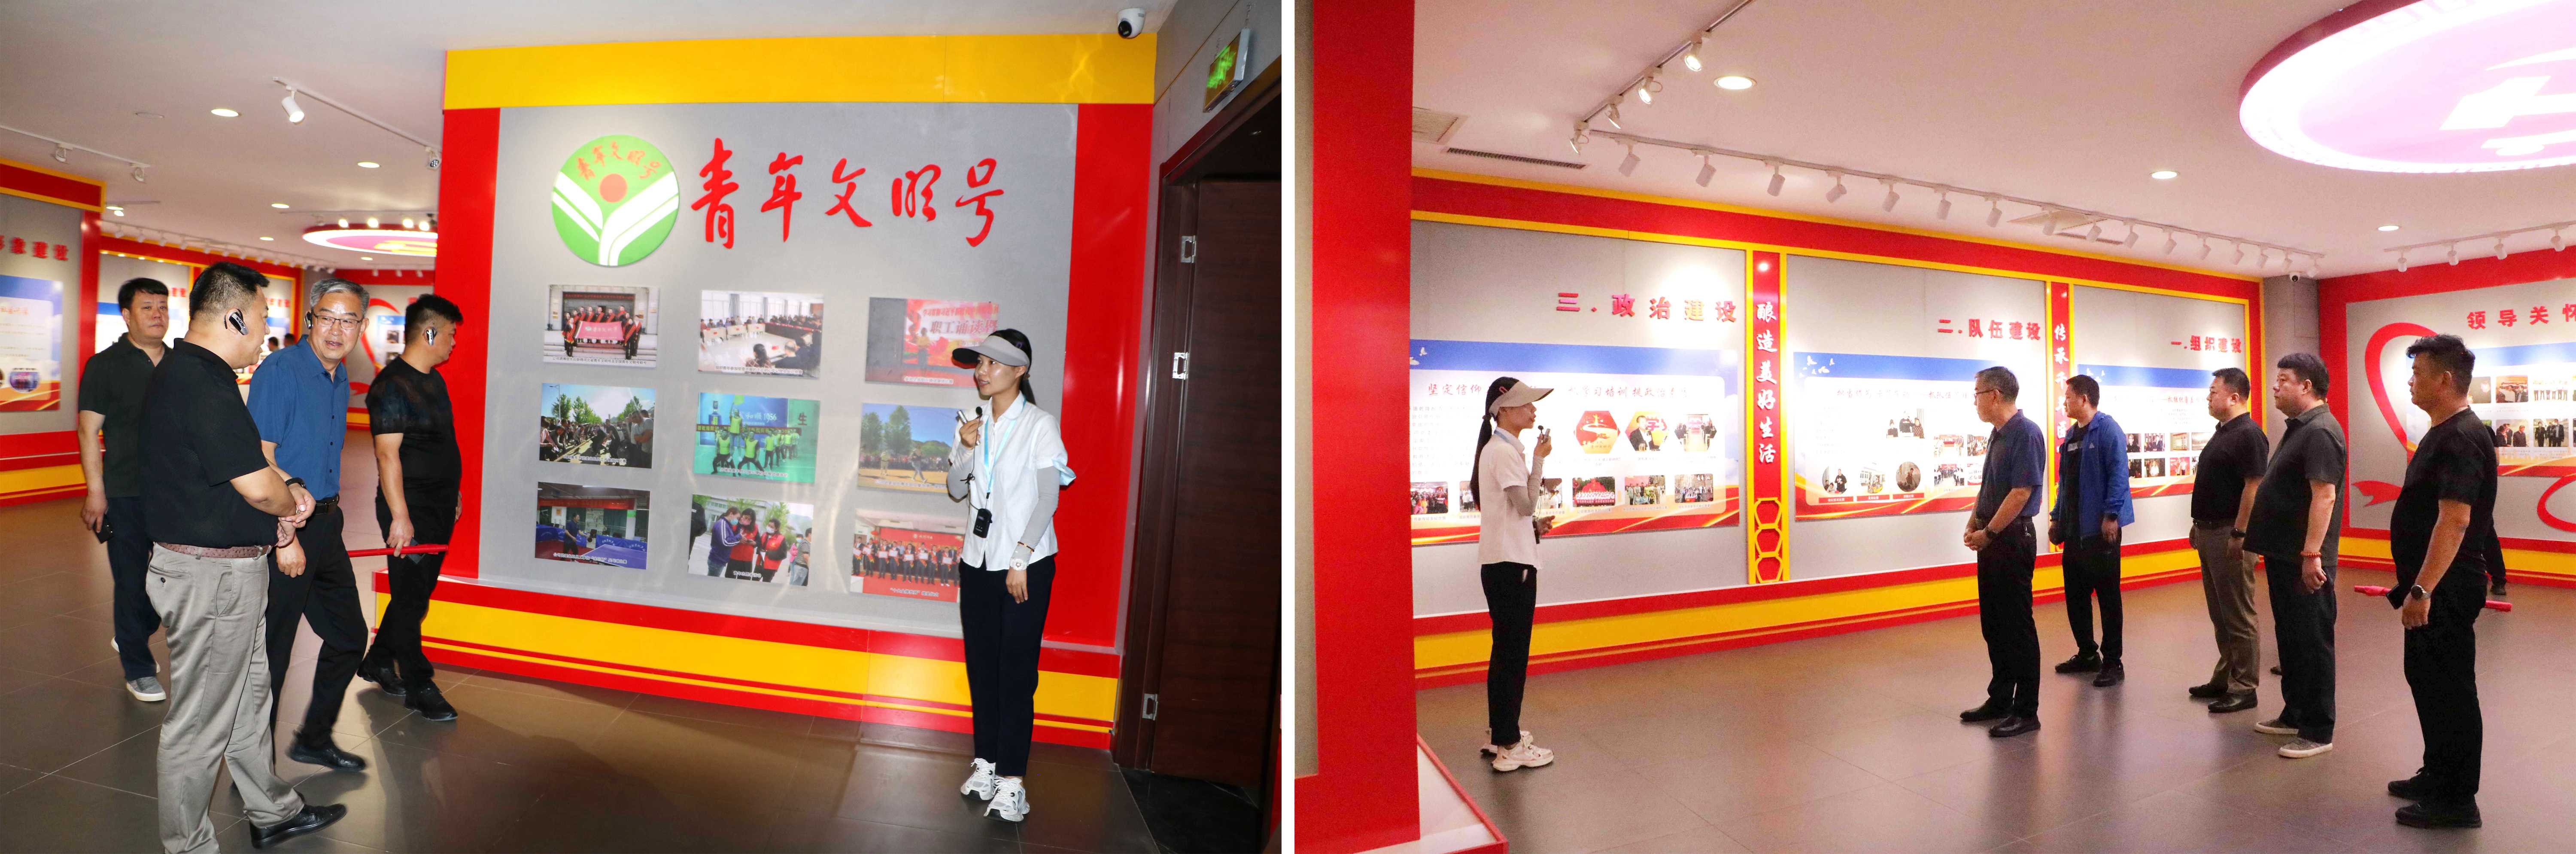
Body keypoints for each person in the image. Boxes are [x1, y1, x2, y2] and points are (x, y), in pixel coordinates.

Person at [141, 262, 347, 852]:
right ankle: (188, 844)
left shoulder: (196, 375)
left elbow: (242, 471)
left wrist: (285, 493)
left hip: (228, 571)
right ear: (234, 317)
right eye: (261, 316)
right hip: (210, 578)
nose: (264, 331)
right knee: (200, 724)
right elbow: (258, 487)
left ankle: (272, 810)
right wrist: (291, 504)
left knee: (249, 700)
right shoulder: (200, 381)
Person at [945, 329, 1075, 822]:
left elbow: (1048, 498)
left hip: (1025, 566)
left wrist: (1021, 558)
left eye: (993, 363)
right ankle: (986, 762)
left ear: (1020, 370)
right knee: (982, 667)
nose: (982, 371)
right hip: (978, 561)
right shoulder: (973, 421)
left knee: (1016, 672)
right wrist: (965, 448)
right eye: (979, 362)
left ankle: (1013, 781)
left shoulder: (1040, 425)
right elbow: (956, 488)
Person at [247, 277, 374, 772]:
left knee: (349, 635)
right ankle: (256, 776)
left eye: (348, 320)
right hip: (285, 525)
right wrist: (286, 535)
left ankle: (313, 739)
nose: (336, 330)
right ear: (310, 320)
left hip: (326, 523)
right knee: (274, 652)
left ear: (361, 327)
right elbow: (260, 458)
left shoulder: (339, 378)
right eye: (327, 317)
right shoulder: (282, 371)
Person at [2383, 334, 2493, 829]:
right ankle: (2438, 772)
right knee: (2427, 680)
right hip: (2433, 585)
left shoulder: (2462, 437)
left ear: (2445, 380)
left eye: (2418, 373)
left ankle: (2457, 798)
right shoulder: (2443, 431)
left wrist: (2422, 589)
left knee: (2450, 689)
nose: (2411, 381)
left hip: (2445, 587)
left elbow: (2456, 519)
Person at [360, 295, 467, 723]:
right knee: (411, 598)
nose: (454, 342)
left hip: (438, 506)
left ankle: (378, 661)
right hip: (409, 509)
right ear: (430, 332)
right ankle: (420, 684)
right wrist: (400, 517)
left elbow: (442, 443)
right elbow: (388, 456)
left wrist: (453, 492)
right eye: (451, 334)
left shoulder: (434, 381)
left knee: (415, 594)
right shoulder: (391, 387)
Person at [2246, 352, 2346, 759]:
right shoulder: (2300, 429)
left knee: (2312, 643)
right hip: (2285, 555)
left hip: (2305, 560)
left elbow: (2325, 496)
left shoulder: (2320, 431)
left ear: (2306, 386)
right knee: (2291, 640)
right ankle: (2296, 713)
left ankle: (2318, 729)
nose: (2275, 386)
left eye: (2284, 379)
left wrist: (2312, 554)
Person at [78, 278, 173, 703]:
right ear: (126, 315)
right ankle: (138, 667)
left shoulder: (181, 363)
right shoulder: (105, 365)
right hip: (125, 491)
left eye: (163, 306)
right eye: (148, 307)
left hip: (175, 494)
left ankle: (132, 629)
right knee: (131, 580)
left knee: (173, 579)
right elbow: (88, 431)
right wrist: (95, 491)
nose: (158, 314)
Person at [1467, 375, 1556, 772]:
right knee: (1513, 655)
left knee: (1504, 652)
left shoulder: (1498, 450)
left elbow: (1512, 515)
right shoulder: (1504, 452)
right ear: (1503, 411)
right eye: (1526, 404)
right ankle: (1509, 744)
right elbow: (1525, 505)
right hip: (1512, 567)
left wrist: (1533, 528)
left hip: (1503, 564)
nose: (1533, 410)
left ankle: (1501, 732)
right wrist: (1540, 460)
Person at [1960, 366, 2046, 738]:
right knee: (1994, 625)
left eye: (1977, 394)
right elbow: (1989, 487)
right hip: (1993, 538)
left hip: (2012, 539)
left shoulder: (2026, 434)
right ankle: (2000, 699)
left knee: (2017, 626)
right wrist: (1974, 522)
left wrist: (1990, 533)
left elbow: (2021, 492)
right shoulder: (1998, 435)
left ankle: (2026, 711)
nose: (1975, 402)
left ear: (1994, 395)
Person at [2187, 366, 2270, 714]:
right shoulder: (2223, 433)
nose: (2208, 397)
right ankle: (2226, 676)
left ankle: (2245, 686)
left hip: (2229, 534)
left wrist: (2240, 532)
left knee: (2238, 613)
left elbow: (2254, 487)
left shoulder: (2249, 434)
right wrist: (2198, 524)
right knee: (2220, 613)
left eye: (2214, 392)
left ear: (2235, 397)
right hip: (2210, 531)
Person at [2049, 374, 2132, 687]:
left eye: (2068, 397)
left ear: (2084, 399)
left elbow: (2119, 476)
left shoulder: (2108, 430)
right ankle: (2087, 654)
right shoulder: (2072, 436)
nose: (2065, 402)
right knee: (2076, 597)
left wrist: (2111, 516)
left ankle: (2113, 661)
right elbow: (2065, 484)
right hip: (2075, 532)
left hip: (2101, 532)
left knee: (2108, 598)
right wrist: (2056, 518)